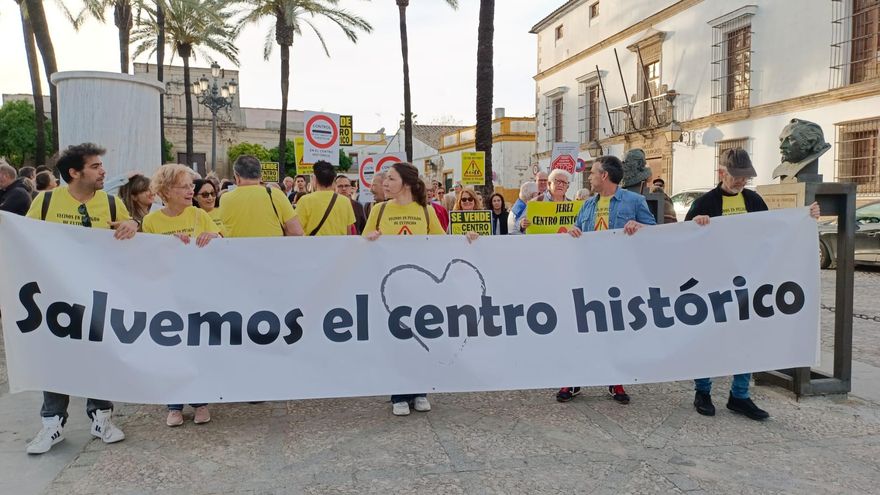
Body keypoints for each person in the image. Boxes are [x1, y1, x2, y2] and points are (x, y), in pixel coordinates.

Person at [686, 148, 820, 421]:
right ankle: (703, 392)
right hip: (713, 285)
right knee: (708, 338)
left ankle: (740, 395)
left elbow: (774, 231)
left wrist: (806, 217)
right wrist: (694, 225)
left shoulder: (754, 200)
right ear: (721, 173)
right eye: (737, 177)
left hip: (749, 283)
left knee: (746, 338)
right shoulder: (704, 203)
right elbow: (683, 242)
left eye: (745, 177)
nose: (741, 182)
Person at [24, 142, 136, 454]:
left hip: (98, 298)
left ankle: (101, 417)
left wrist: (133, 224)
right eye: (96, 166)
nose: (103, 172)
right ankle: (52, 423)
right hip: (54, 298)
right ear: (74, 172)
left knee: (99, 356)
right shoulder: (45, 202)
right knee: (55, 357)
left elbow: (129, 241)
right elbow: (25, 241)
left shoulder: (111, 204)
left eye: (101, 166)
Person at [559, 155, 657, 405]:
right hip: (589, 275)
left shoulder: (634, 201)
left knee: (616, 329)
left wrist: (640, 227)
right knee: (584, 328)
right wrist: (573, 231)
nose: (589, 177)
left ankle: (615, 380)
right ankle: (574, 379)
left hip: (619, 277)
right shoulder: (588, 205)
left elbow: (655, 232)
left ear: (604, 176)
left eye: (592, 173)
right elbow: (577, 230)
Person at [363, 162, 446, 416]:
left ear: (406, 183)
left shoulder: (425, 211)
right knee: (397, 339)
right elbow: (362, 243)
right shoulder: (378, 210)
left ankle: (419, 390)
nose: (384, 183)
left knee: (420, 337)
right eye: (385, 179)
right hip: (390, 286)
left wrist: (470, 240)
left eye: (390, 179)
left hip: (420, 286)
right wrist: (371, 240)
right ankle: (399, 393)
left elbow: (444, 243)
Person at [142, 164, 221, 426]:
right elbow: (145, 258)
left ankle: (200, 402)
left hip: (198, 294)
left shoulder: (199, 216)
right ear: (166, 191)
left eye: (191, 186)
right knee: (171, 348)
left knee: (196, 348)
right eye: (185, 186)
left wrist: (215, 236)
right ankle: (174, 405)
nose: (191, 190)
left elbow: (223, 244)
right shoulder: (152, 221)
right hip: (166, 295)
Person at [220, 155, 302, 237]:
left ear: (237, 177)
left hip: (237, 249)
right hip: (272, 248)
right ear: (260, 175)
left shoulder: (225, 199)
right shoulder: (275, 194)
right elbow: (297, 232)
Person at [288, 162, 355, 236]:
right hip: (339, 246)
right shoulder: (345, 201)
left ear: (315, 179)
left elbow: (296, 231)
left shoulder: (305, 200)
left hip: (313, 246)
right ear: (333, 180)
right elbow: (348, 231)